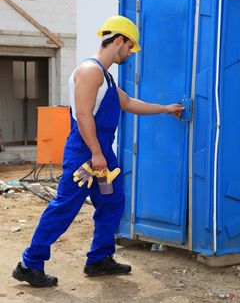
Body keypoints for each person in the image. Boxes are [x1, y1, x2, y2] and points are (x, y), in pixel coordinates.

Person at [12, 15, 184, 287]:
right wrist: (96, 153)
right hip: (86, 154)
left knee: (112, 201)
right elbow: (82, 115)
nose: (130, 53)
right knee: (65, 207)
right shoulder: (89, 71)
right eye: (130, 47)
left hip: (100, 154)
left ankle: (99, 259)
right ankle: (29, 263)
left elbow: (128, 102)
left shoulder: (106, 78)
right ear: (118, 40)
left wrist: (166, 109)